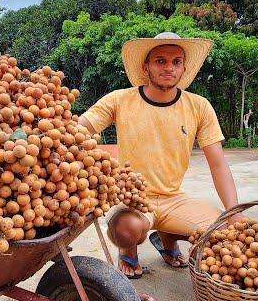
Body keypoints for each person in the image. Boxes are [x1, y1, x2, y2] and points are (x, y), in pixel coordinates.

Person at [78, 32, 245, 279]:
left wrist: (234, 210)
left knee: (224, 232)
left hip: (174, 199)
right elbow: (77, 130)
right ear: (146, 67)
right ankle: (128, 251)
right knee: (126, 228)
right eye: (160, 61)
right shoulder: (120, 100)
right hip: (133, 199)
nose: (169, 68)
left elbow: (218, 165)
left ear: (184, 68)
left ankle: (168, 242)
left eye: (176, 62)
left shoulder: (199, 106)